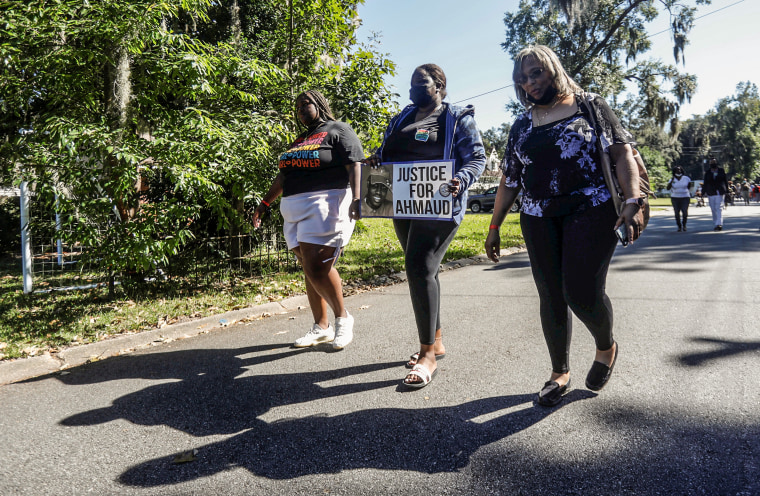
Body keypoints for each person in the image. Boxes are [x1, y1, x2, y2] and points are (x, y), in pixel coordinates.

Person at [484, 45, 645, 407]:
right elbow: (510, 179)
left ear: (552, 69)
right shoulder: (522, 123)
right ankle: (559, 372)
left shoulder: (590, 106)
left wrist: (633, 202)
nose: (529, 83)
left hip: (592, 208)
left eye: (535, 73)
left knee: (581, 292)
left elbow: (622, 153)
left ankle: (606, 346)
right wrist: (494, 226)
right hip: (538, 216)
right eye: (522, 79)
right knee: (550, 295)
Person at [365, 63, 486, 388]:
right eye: (412, 84)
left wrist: (461, 179)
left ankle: (427, 355)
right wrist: (376, 160)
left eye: (422, 83)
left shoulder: (457, 117)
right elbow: (387, 151)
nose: (415, 88)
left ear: (439, 86)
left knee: (418, 267)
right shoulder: (402, 117)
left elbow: (477, 156)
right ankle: (437, 339)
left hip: (439, 202)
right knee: (425, 272)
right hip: (402, 203)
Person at [252, 90, 363, 350]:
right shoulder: (299, 141)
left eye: (306, 104)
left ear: (320, 104)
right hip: (294, 207)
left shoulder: (338, 130)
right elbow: (284, 177)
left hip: (326, 202)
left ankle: (343, 318)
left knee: (317, 266)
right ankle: (320, 327)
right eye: (298, 107)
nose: (301, 109)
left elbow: (354, 164)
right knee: (307, 266)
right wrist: (265, 202)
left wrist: (358, 198)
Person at [702, 158, 728, 231]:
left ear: (716, 163)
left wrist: (727, 190)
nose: (712, 164)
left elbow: (725, 180)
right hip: (711, 192)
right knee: (713, 208)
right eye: (711, 163)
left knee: (719, 208)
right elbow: (705, 182)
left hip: (720, 191)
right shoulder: (708, 172)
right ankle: (716, 222)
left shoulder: (721, 171)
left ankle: (719, 224)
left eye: (714, 162)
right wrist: (703, 192)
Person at [666, 166, 692, 231]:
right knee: (677, 213)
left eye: (680, 170)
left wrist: (684, 191)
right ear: (674, 171)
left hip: (685, 197)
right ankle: (679, 226)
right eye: (677, 170)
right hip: (675, 198)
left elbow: (689, 187)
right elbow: (668, 188)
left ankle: (684, 225)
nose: (679, 171)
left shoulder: (686, 178)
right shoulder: (672, 179)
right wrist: (672, 181)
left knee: (684, 212)